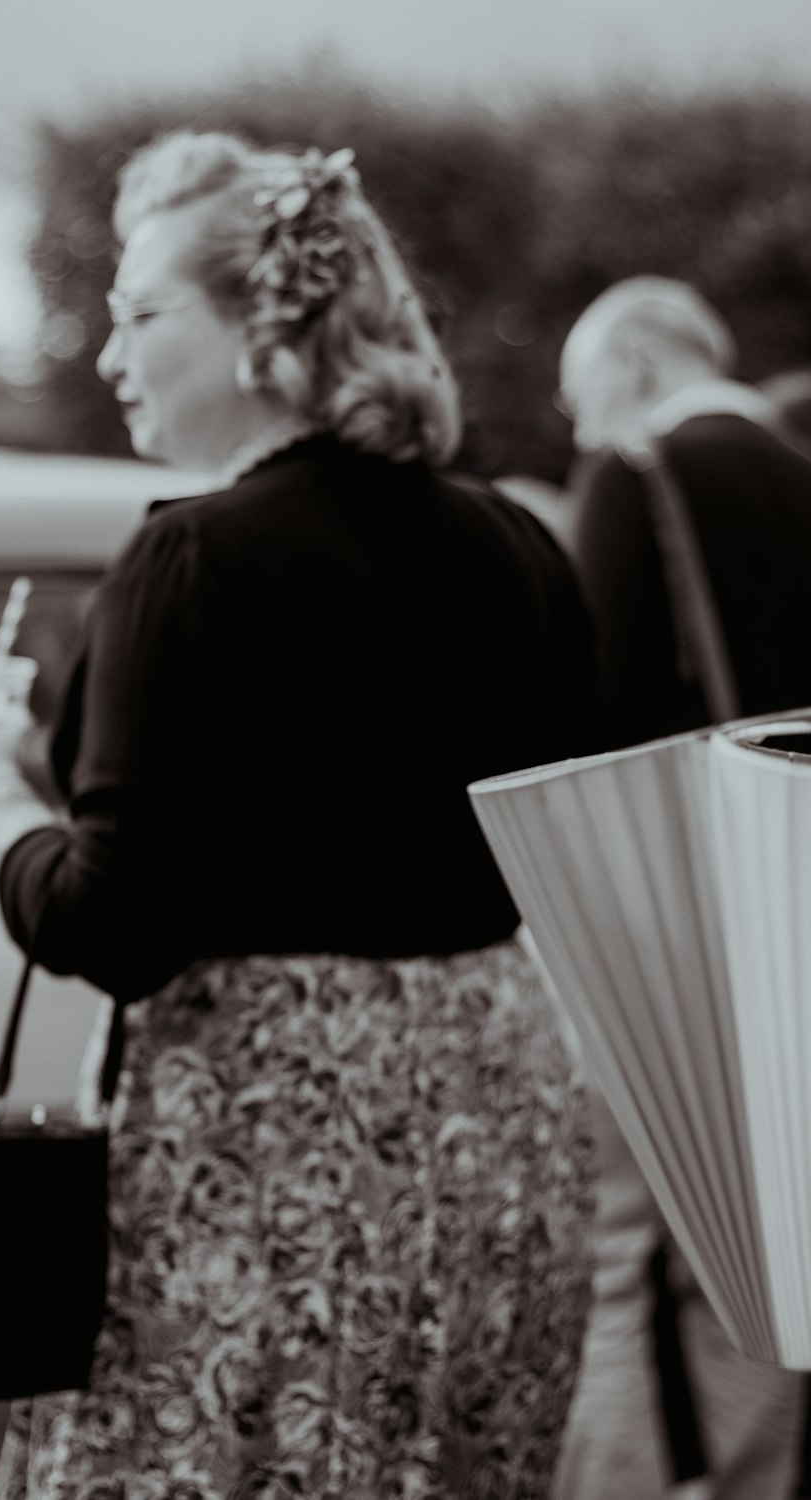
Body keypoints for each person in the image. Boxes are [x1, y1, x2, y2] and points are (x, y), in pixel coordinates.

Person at [0, 131, 598, 1500]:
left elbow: (112, 920)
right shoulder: (518, 542)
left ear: (264, 339)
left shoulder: (192, 557)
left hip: (279, 1155)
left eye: (142, 314)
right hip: (494, 1136)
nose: (111, 356)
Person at [553, 275, 811, 1500]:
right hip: (799, 923)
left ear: (640, 365)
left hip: (686, 937)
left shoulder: (637, 475)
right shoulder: (797, 468)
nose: (575, 432)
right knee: (783, 1257)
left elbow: (593, 735)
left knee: (631, 1259)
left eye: (578, 399)